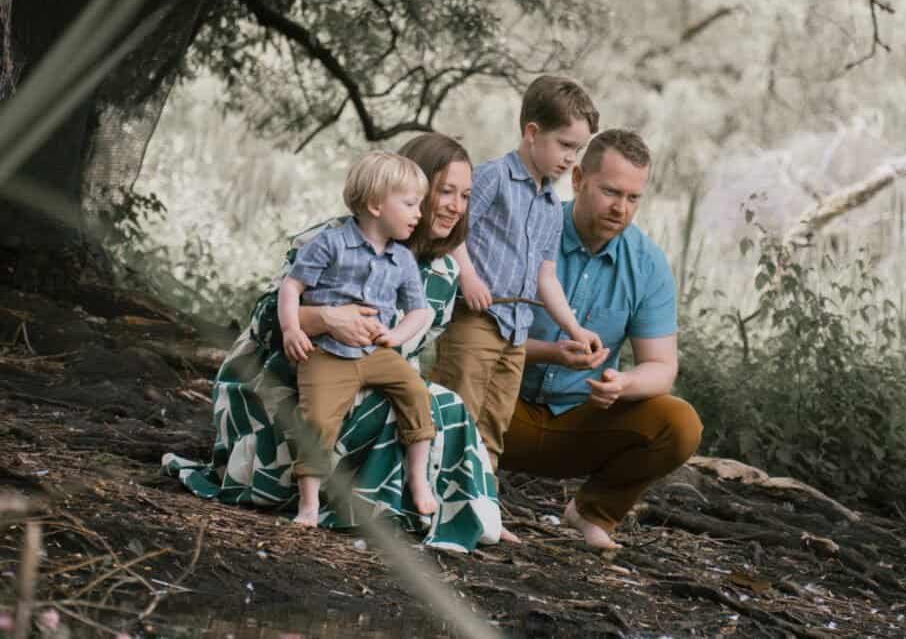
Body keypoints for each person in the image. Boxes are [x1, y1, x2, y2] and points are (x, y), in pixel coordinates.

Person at [162, 133, 501, 551]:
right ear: (396, 189)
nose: (455, 206)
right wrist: (323, 318)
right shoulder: (332, 239)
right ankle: (324, 498)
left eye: (465, 195)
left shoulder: (443, 273)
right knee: (366, 405)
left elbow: (406, 349)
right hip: (290, 373)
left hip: (369, 375)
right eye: (444, 191)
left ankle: (468, 509)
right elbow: (266, 324)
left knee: (437, 402)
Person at [501, 129, 704, 549]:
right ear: (578, 180)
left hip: (581, 420)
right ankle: (462, 498)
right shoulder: (530, 232)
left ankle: (594, 511)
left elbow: (662, 367)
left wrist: (624, 384)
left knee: (679, 423)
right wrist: (552, 354)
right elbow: (477, 343)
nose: (621, 208)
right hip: (504, 411)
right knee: (452, 386)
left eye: (633, 198)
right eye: (611, 192)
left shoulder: (647, 264)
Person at [430, 75, 603, 490]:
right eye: (564, 145)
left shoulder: (549, 206)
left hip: (515, 332)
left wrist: (575, 329)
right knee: (458, 408)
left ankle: (479, 501)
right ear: (532, 133)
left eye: (577, 149)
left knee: (494, 420)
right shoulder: (491, 178)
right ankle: (433, 495)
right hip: (477, 319)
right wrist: (468, 276)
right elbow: (454, 229)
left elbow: (546, 276)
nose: (570, 158)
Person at [278, 152, 437, 525]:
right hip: (327, 353)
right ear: (375, 205)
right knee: (317, 417)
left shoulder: (403, 259)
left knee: (415, 392)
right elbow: (292, 285)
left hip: (375, 352)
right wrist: (291, 328)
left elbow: (420, 309)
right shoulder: (331, 244)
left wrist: (395, 335)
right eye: (411, 204)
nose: (419, 214)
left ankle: (418, 479)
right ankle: (310, 504)